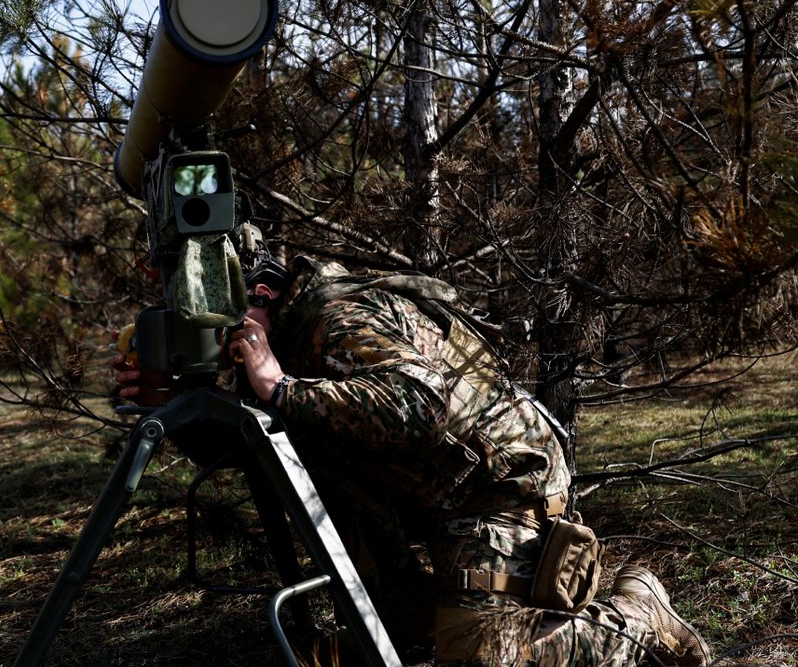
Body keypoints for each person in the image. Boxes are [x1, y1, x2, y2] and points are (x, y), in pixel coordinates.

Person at [116, 243, 712, 666]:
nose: (219, 344)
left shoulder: (331, 317)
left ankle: (637, 613)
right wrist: (179, 405)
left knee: (486, 657)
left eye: (223, 325)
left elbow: (421, 404)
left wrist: (281, 388)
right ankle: (405, 622)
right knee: (398, 631)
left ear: (263, 296)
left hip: (499, 485)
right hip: (424, 490)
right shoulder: (277, 344)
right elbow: (253, 454)